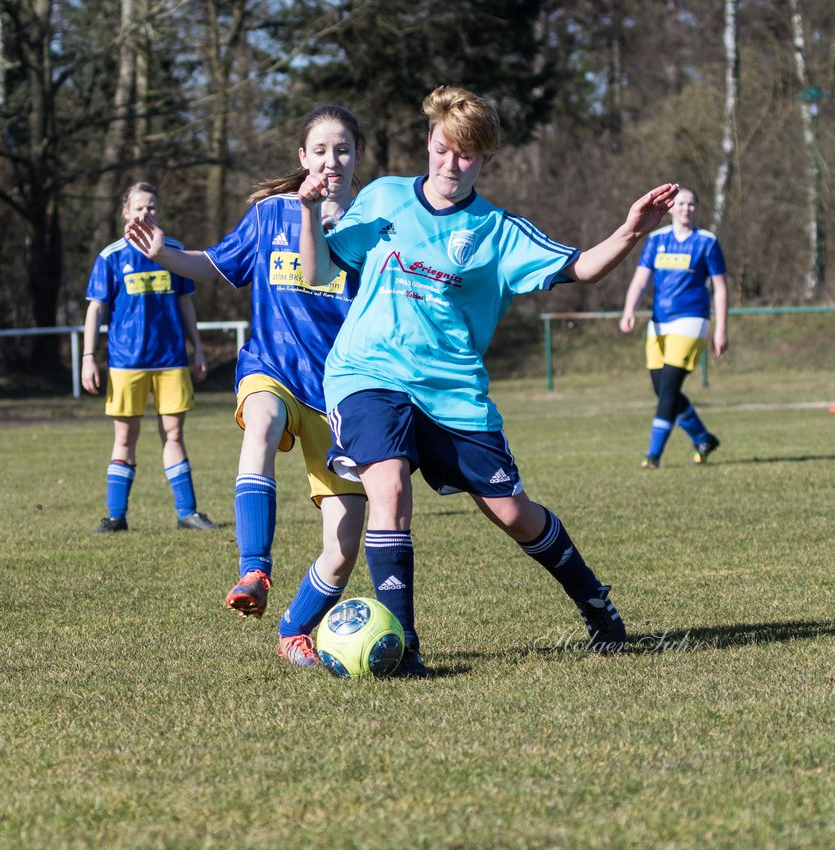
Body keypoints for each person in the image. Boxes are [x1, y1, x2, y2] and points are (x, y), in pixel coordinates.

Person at [299, 85, 679, 675]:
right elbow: (321, 268)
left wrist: (632, 231)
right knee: (390, 491)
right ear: (429, 142)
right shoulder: (382, 198)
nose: (452, 164)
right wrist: (305, 212)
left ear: (486, 160)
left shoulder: (499, 231)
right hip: (366, 372)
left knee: (513, 513)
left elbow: (579, 267)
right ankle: (405, 650)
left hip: (451, 392)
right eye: (444, 149)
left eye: (468, 155)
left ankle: (597, 606)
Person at [126, 106, 367, 668]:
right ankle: (254, 568)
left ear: (357, 157)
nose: (333, 161)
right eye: (322, 150)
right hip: (272, 368)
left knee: (344, 544)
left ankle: (293, 629)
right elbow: (213, 266)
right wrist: (162, 253)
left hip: (339, 393)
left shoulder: (374, 226)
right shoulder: (270, 216)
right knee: (259, 423)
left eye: (344, 150)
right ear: (302, 158)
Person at [82, 182, 218, 533]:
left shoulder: (173, 252)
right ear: (126, 213)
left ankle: (187, 512)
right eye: (139, 208)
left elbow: (186, 303)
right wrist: (87, 356)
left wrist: (197, 348)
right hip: (126, 363)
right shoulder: (110, 257)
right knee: (125, 438)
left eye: (152, 207)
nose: (146, 214)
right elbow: (96, 309)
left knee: (173, 435)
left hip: (171, 360)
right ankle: (116, 516)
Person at [619, 186, 729, 468]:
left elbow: (719, 288)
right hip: (659, 323)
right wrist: (630, 309)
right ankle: (703, 438)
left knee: (668, 388)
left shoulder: (706, 241)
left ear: (696, 208)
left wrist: (720, 328)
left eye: (691, 204)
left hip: (692, 319)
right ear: (671, 207)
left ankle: (653, 455)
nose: (685, 208)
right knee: (661, 388)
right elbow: (641, 279)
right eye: (680, 204)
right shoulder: (655, 240)